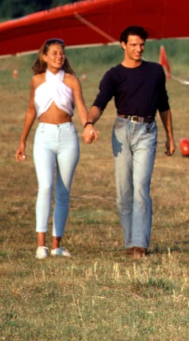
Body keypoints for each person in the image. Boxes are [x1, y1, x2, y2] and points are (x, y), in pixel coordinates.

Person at [89, 25, 174, 259]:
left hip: (147, 130)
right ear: (123, 45)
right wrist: (89, 122)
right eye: (134, 44)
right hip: (121, 131)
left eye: (142, 45)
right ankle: (130, 241)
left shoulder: (156, 71)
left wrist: (170, 137)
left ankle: (140, 244)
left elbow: (164, 105)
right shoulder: (113, 75)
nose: (139, 49)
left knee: (141, 188)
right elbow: (100, 103)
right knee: (123, 192)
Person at [16, 38, 97, 259]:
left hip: (68, 136)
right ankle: (40, 244)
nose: (59, 56)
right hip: (44, 136)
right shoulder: (36, 80)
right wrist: (23, 140)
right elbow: (31, 110)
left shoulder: (71, 80)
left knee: (63, 192)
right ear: (44, 56)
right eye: (54, 53)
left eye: (61, 53)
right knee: (45, 186)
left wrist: (87, 126)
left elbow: (80, 105)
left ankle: (56, 245)